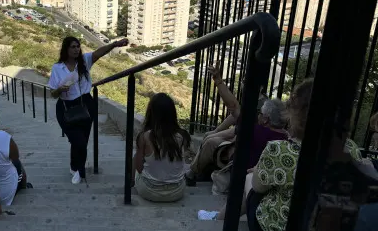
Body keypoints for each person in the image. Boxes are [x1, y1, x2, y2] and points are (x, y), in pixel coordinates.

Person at [198, 79, 362, 231]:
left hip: (280, 225)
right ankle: (219, 216)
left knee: (250, 180)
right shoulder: (352, 149)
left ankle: (219, 218)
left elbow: (257, 187)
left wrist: (257, 171)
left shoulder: (281, 149)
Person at [48, 36, 129, 184]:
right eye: (72, 47)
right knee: (76, 140)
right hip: (66, 107)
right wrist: (60, 89)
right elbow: (52, 94)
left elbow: (99, 52)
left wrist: (114, 44)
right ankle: (80, 169)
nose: (76, 49)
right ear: (66, 49)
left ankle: (76, 168)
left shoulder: (84, 61)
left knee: (82, 140)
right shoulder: (57, 68)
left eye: (78, 46)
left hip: (85, 104)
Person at [186, 63, 267, 185]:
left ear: (260, 87)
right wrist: (217, 130)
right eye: (244, 81)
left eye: (248, 82)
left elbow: (234, 109)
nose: (244, 85)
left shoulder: (261, 106)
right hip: (241, 135)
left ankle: (193, 173)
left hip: (245, 143)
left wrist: (219, 82)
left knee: (210, 142)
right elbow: (235, 115)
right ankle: (200, 172)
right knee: (209, 136)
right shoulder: (255, 99)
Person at [131, 93, 191, 202]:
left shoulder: (145, 136)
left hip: (149, 191)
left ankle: (130, 185)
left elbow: (139, 168)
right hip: (177, 192)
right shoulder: (182, 136)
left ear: (151, 113)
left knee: (136, 157)